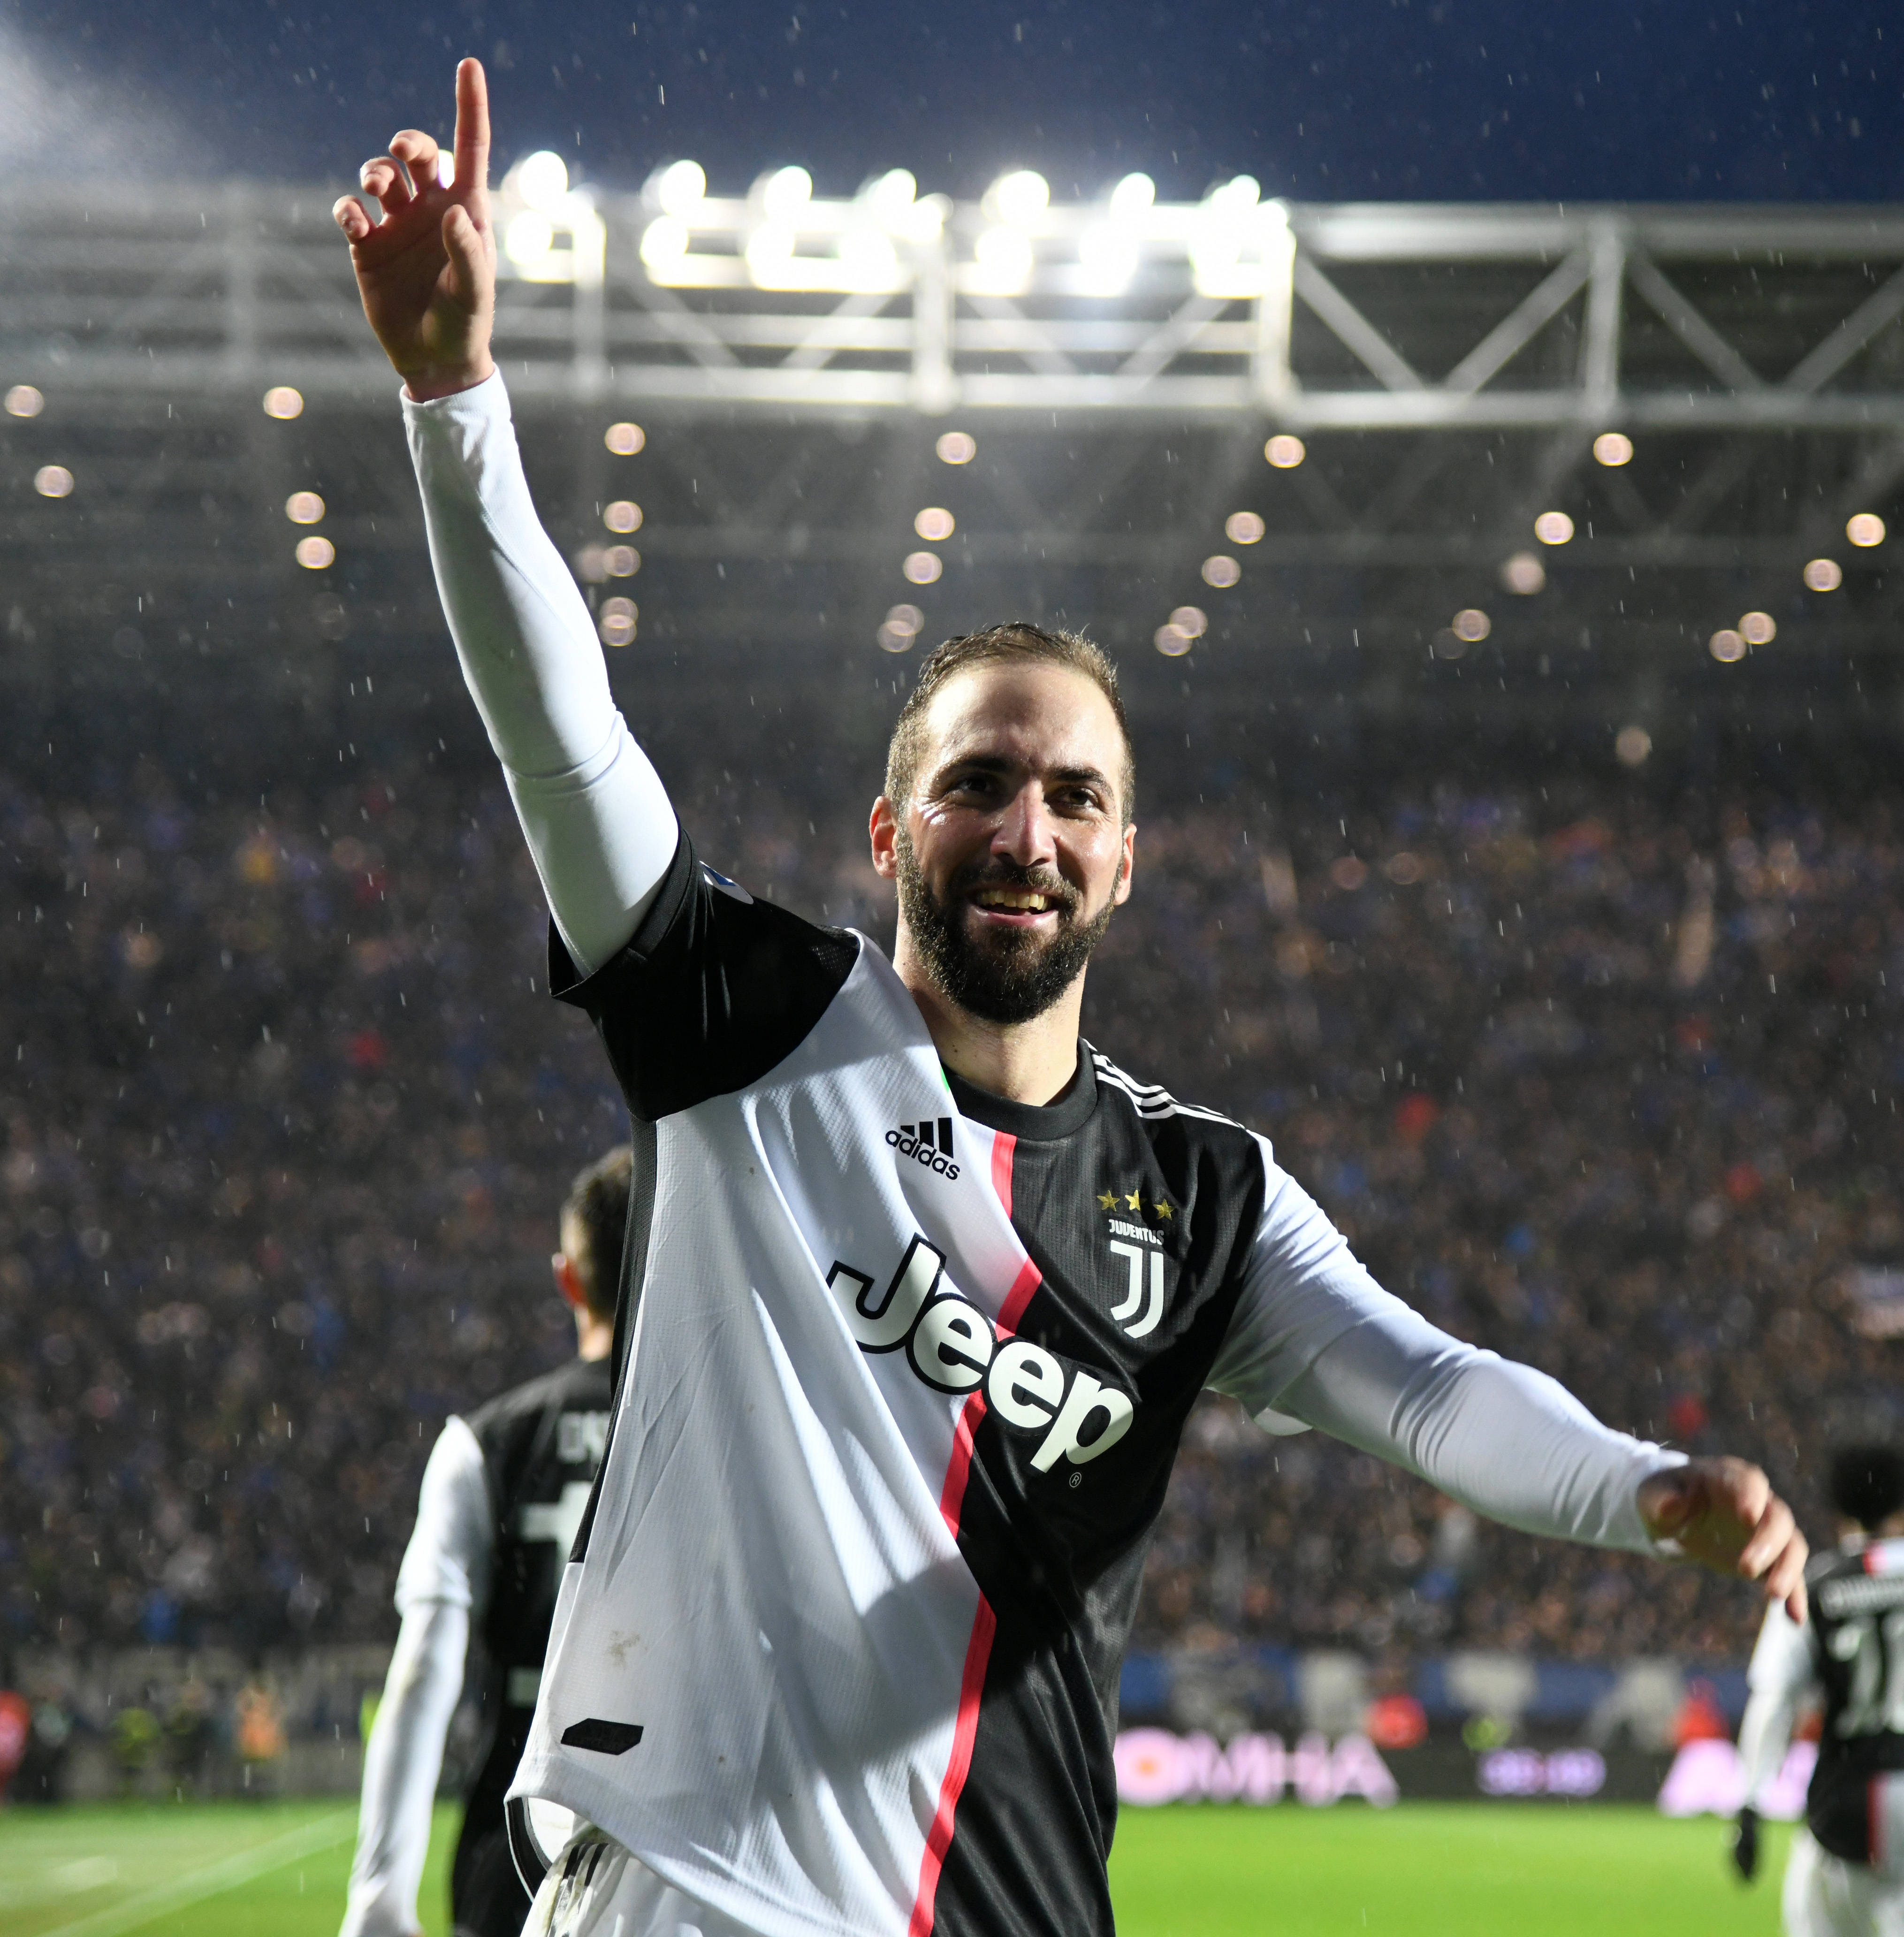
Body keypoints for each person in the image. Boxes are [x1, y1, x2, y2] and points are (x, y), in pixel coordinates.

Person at [333, 61, 1808, 1937]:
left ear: (1123, 860)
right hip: (696, 1896)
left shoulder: (1202, 1203)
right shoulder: (749, 1022)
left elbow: (1425, 1395)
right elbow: (567, 743)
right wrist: (455, 396)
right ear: (890, 827)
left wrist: (1640, 1485)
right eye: (977, 781)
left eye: (1073, 797)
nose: (1023, 828)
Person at [341, 1145, 631, 1937]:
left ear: (568, 1279)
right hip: (672, 1835)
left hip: (513, 1844)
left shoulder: (484, 1440)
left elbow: (425, 1667)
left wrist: (378, 1893)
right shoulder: (723, 1432)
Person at [1734, 1446, 1904, 1937]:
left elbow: (1773, 1698)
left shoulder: (1813, 1585)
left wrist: (1749, 1807)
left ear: (1838, 1510)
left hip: (1844, 1796)